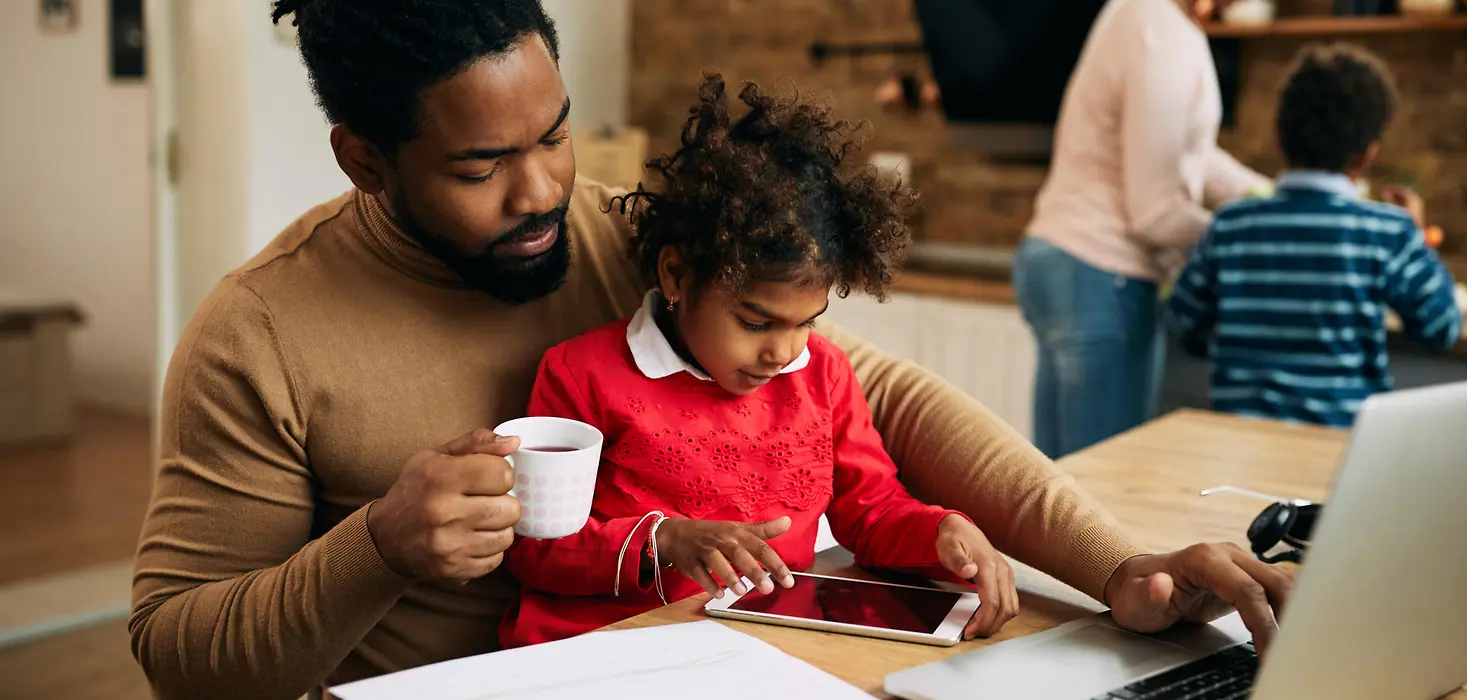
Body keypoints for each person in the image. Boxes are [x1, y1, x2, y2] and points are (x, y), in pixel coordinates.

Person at [129, 2, 1294, 699]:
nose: (543, 191)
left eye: (554, 133)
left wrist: (1117, 568)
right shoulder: (261, 334)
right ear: (364, 161)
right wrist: (378, 546)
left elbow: (879, 399)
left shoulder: (637, 241)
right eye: (480, 168)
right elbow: (177, 652)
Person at [500, 74, 1018, 648]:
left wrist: (943, 530)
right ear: (675, 275)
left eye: (806, 322)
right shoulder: (581, 374)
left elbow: (873, 509)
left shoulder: (822, 375)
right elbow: (533, 549)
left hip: (755, 652)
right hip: (598, 651)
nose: (782, 351)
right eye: (754, 322)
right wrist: (664, 540)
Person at [1012, 0, 1270, 459]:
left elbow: (1193, 152)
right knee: (1099, 488)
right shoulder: (1160, 30)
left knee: (1059, 480)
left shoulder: (1149, 16)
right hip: (1100, 271)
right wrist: (1256, 239)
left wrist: (1276, 200)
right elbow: (1155, 214)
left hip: (1062, 257)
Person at [1166, 45, 1462, 427]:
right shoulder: (1387, 231)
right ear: (1367, 154)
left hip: (1238, 443)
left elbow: (1183, 323)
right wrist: (1418, 237)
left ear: (1279, 140)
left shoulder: (1230, 226)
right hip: (1339, 451)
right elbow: (1441, 328)